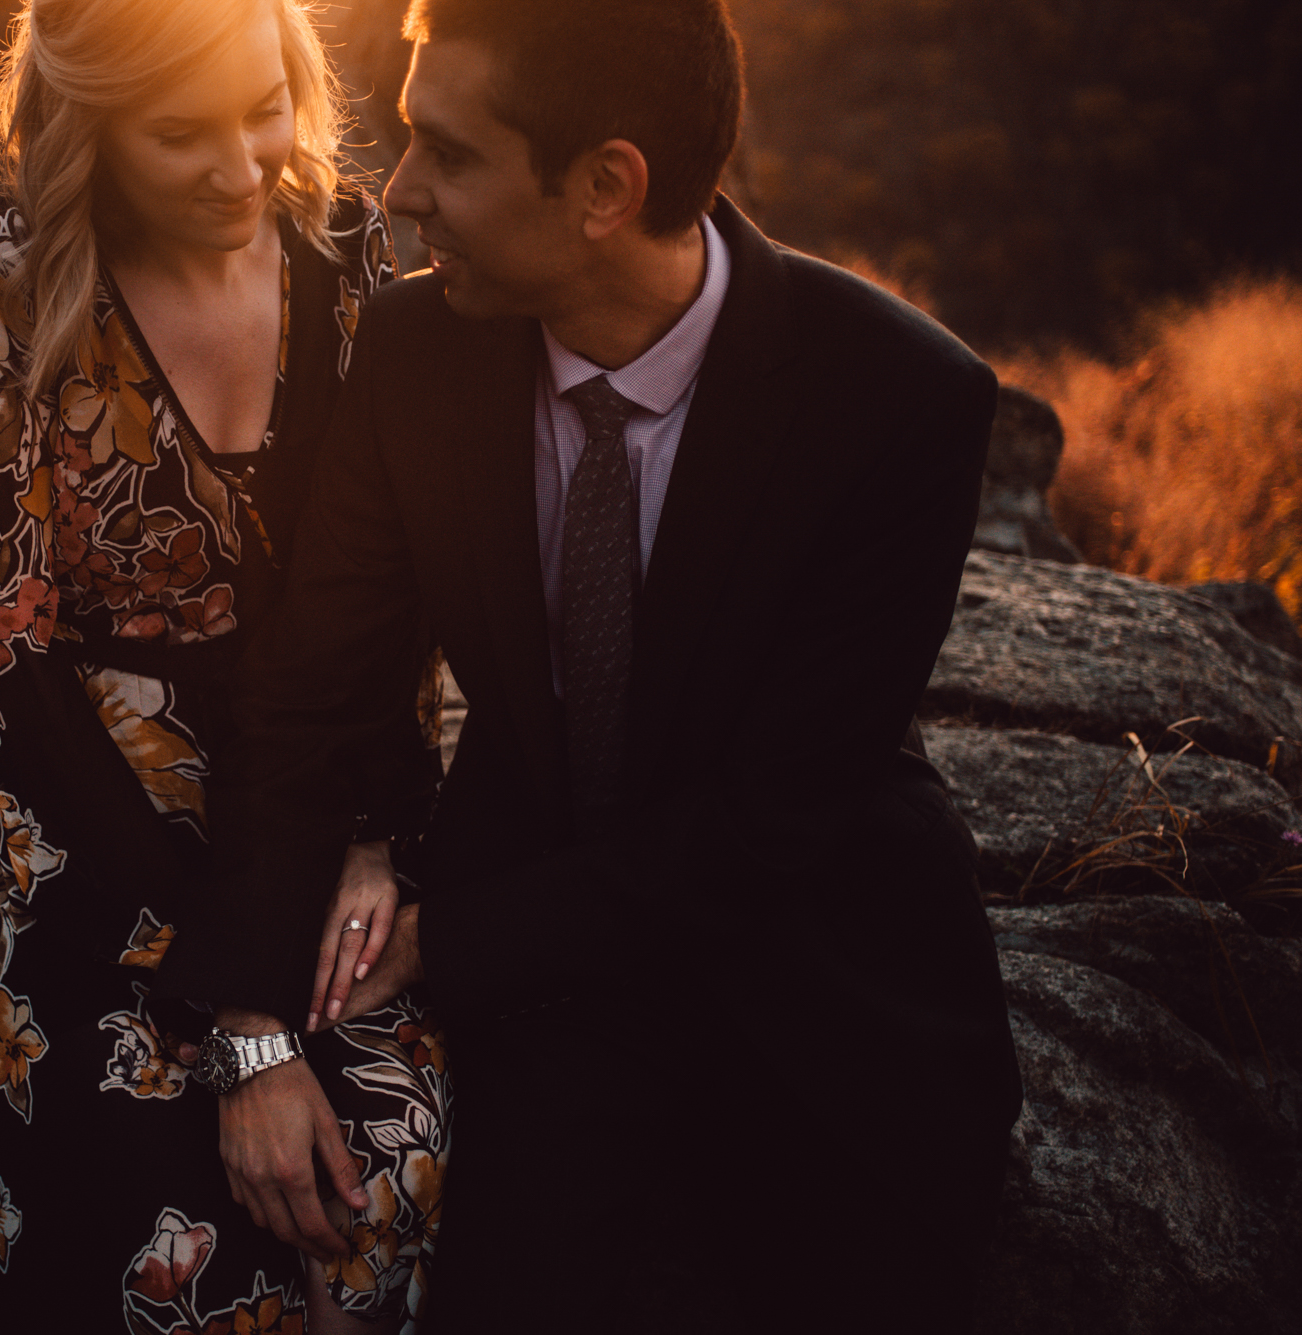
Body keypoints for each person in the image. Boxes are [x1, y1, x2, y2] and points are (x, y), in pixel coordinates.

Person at [151, 0, 1026, 1329]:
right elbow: (314, 688)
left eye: (447, 153)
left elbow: (769, 821)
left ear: (606, 187)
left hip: (812, 950)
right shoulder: (413, 354)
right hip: (546, 961)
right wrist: (258, 1015)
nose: (401, 191)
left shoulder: (900, 402)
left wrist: (445, 941)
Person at [0, 0, 452, 1329]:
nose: (246, 164)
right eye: (180, 133)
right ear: (92, 130)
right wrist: (219, 989)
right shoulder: (6, 286)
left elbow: (394, 599)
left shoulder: (348, 255)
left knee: (382, 1171)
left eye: (265, 106)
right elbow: (6, 659)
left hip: (318, 788)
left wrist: (369, 835)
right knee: (161, 1224)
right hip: (84, 822)